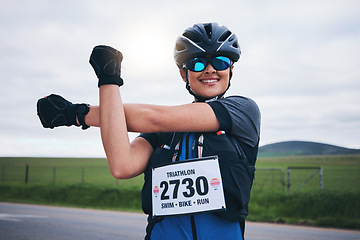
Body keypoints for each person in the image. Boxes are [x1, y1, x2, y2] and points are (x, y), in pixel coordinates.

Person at [37, 22, 261, 240]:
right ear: (184, 74)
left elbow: (153, 118)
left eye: (221, 62)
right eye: (198, 63)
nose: (210, 69)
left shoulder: (244, 110)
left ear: (232, 69)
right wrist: (108, 80)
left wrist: (74, 114)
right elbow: (122, 165)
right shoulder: (166, 131)